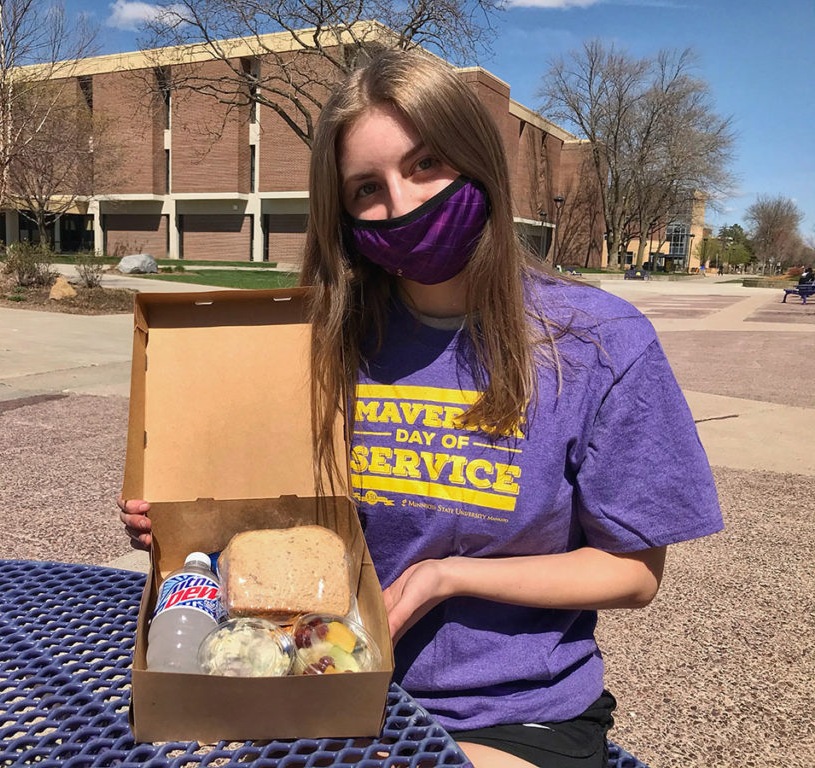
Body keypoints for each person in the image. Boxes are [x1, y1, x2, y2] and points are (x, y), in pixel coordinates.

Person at [120, 50, 723, 768]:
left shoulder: (598, 344)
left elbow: (634, 572)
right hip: (323, 680)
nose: (401, 205)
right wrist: (190, 519)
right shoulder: (325, 340)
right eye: (366, 188)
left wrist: (448, 575)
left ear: (477, 163)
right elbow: (295, 520)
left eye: (425, 165)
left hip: (511, 711)